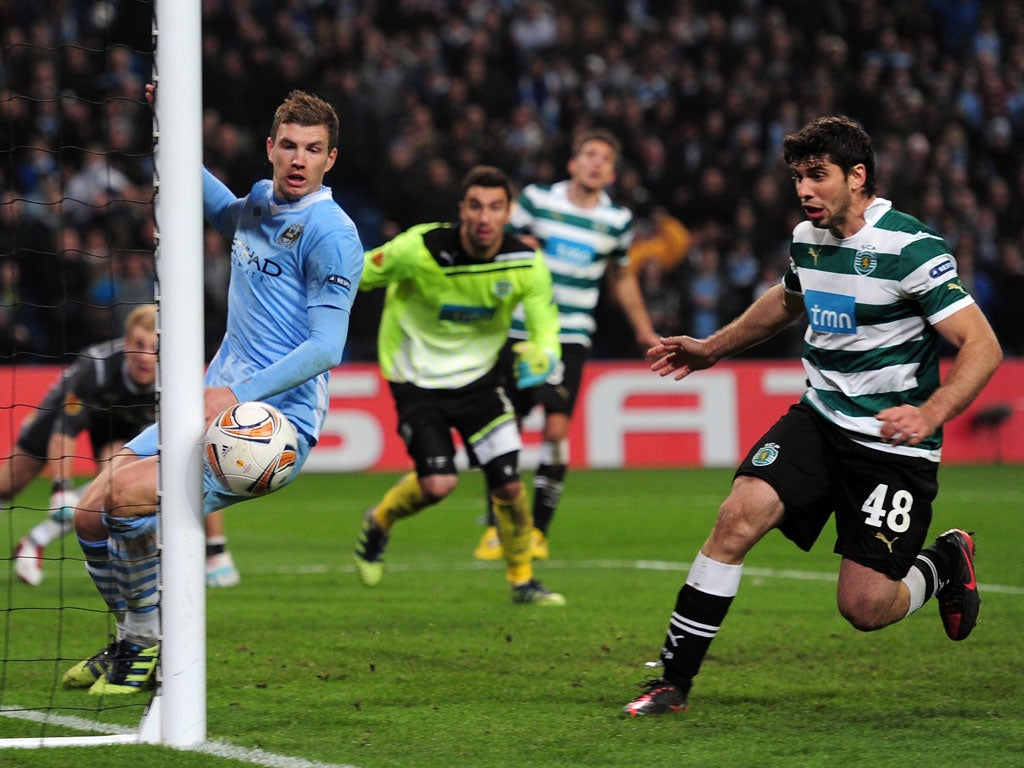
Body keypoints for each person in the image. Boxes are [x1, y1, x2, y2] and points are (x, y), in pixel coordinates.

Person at [624, 115, 1003, 717]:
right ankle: (672, 682)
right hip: (819, 419)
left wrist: (932, 411)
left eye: (817, 175)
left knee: (865, 607)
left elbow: (982, 345)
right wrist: (711, 349)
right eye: (798, 176)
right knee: (735, 520)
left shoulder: (911, 247)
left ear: (858, 176)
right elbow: (785, 300)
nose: (804, 189)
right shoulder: (807, 237)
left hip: (890, 446)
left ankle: (943, 559)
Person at [63, 88, 364, 695]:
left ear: (331, 159)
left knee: (127, 495)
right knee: (91, 510)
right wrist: (166, 123)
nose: (298, 159)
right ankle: (133, 636)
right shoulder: (258, 204)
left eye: (313, 149)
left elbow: (328, 347)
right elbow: (217, 206)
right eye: (288, 146)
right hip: (213, 399)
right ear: (270, 149)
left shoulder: (332, 233)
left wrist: (239, 392)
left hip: (271, 429)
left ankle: (147, 647)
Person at [353, 165, 565, 606]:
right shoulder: (420, 248)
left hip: (479, 380)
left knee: (508, 483)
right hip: (415, 377)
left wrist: (543, 354)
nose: (484, 218)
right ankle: (379, 520)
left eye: (495, 207)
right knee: (439, 485)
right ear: (461, 211)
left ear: (508, 214)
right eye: (475, 206)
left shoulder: (525, 262)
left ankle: (522, 581)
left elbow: (546, 328)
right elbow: (357, 275)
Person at [474, 128, 660, 561]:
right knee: (505, 427)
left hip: (569, 336)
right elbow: (497, 242)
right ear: (573, 164)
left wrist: (644, 329)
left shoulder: (617, 222)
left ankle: (536, 531)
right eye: (589, 154)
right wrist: (516, 244)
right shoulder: (538, 201)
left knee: (556, 433)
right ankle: (497, 527)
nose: (596, 163)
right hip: (519, 330)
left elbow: (622, 277)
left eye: (605, 159)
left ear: (611, 174)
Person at [4, 305, 240, 588]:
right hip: (64, 413)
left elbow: (196, 454)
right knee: (8, 484)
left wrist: (216, 549)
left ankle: (36, 542)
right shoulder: (97, 367)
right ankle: (36, 540)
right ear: (126, 344)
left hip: (121, 425)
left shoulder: (176, 381)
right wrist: (61, 489)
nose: (145, 356)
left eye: (154, 348)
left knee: (119, 484)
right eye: (138, 345)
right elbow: (64, 431)